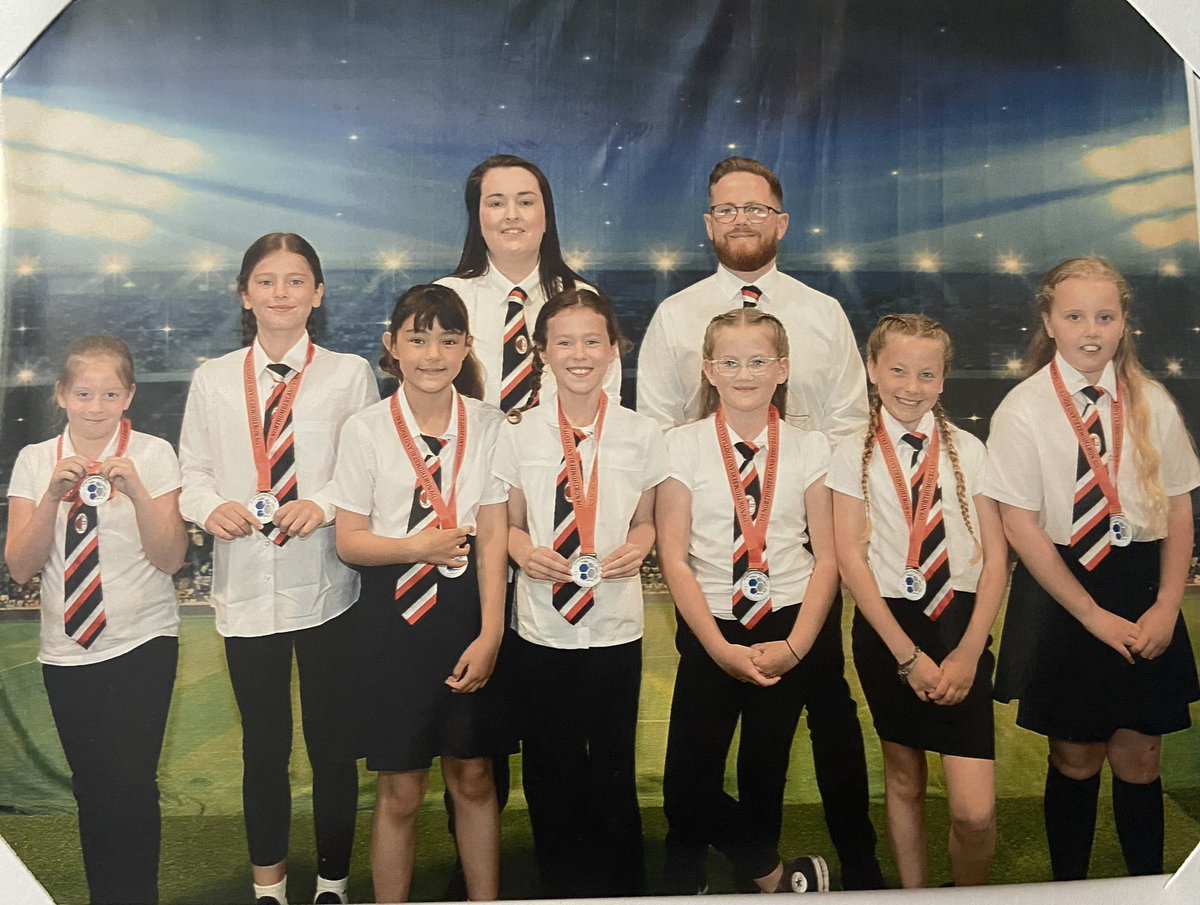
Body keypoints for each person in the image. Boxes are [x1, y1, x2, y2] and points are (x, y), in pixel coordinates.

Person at [638, 156, 882, 889]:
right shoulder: (677, 315)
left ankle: (824, 864)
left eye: (756, 207)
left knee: (806, 728)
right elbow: (657, 428)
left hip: (803, 552)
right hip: (713, 557)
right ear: (709, 223)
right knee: (704, 737)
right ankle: (699, 865)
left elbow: (847, 421)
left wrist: (813, 503)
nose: (741, 219)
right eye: (726, 209)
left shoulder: (822, 311)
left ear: (781, 220)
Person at [178, 233, 378, 905]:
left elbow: (366, 471)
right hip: (245, 587)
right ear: (245, 293)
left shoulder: (349, 373)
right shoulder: (212, 378)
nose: (281, 292)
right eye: (267, 280)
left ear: (318, 294)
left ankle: (332, 882)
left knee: (331, 747)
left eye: (297, 280)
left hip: (327, 587)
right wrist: (212, 508)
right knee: (263, 747)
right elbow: (192, 474)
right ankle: (269, 887)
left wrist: (320, 504)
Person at [985, 257, 1200, 880]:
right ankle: (1069, 889)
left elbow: (1180, 508)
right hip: (1063, 592)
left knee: (1140, 757)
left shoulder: (1151, 400)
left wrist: (1165, 605)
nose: (1090, 329)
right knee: (1076, 758)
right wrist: (1092, 616)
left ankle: (1146, 886)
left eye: (1105, 316)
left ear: (1124, 323)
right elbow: (1020, 525)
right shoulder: (1022, 409)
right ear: (1049, 321)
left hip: (1140, 586)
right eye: (1074, 315)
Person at [330, 284, 508, 903]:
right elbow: (349, 541)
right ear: (392, 346)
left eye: (448, 339)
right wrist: (418, 547)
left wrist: (491, 634)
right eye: (418, 338)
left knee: (476, 776)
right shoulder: (365, 430)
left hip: (466, 618)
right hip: (391, 624)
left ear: (465, 348)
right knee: (401, 790)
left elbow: (491, 537)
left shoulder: (488, 425)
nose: (433, 353)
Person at [494, 288, 668, 897]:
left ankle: (622, 887)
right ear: (541, 351)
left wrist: (641, 545)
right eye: (563, 341)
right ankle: (560, 885)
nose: (579, 354)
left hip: (616, 625)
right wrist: (523, 551)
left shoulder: (642, 434)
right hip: (541, 626)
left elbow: (646, 518)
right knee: (550, 770)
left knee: (614, 768)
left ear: (615, 348)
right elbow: (507, 524)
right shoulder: (515, 432)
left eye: (592, 340)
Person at [656, 308, 835, 895]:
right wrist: (719, 648)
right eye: (729, 362)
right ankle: (769, 876)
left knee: (766, 771)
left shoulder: (811, 449)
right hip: (713, 622)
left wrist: (796, 647)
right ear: (709, 370)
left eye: (758, 361)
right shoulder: (680, 447)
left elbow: (828, 559)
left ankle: (752, 883)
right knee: (688, 778)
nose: (744, 373)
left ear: (782, 370)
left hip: (786, 624)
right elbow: (674, 557)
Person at [6, 336, 187, 904]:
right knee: (92, 789)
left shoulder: (154, 455)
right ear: (61, 395)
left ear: (129, 395)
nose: (95, 406)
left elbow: (171, 557)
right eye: (83, 393)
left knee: (132, 786)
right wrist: (51, 499)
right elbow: (20, 566)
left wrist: (137, 491)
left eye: (110, 393)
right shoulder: (36, 459)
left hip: (143, 640)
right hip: (67, 647)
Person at [827, 314, 1005, 887]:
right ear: (873, 371)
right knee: (904, 781)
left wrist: (970, 654)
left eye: (926, 374)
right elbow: (851, 564)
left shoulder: (971, 450)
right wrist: (906, 656)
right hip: (889, 630)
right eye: (898, 370)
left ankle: (969, 896)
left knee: (973, 812)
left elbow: (998, 559)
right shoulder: (849, 450)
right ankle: (916, 896)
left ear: (943, 381)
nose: (911, 385)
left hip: (960, 626)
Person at [437, 154, 621, 412]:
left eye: (525, 202)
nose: (512, 215)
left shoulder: (582, 299)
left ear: (546, 217)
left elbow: (606, 402)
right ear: (477, 218)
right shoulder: (445, 298)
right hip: (465, 449)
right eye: (496, 203)